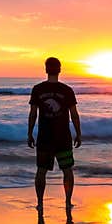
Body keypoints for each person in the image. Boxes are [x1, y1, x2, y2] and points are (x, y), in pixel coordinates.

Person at [27, 56, 81, 212]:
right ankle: (68, 202)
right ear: (59, 70)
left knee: (41, 171)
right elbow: (74, 115)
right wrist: (78, 133)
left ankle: (40, 203)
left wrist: (30, 133)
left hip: (45, 137)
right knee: (67, 170)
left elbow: (32, 114)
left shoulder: (37, 89)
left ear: (46, 70)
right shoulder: (67, 90)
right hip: (63, 137)